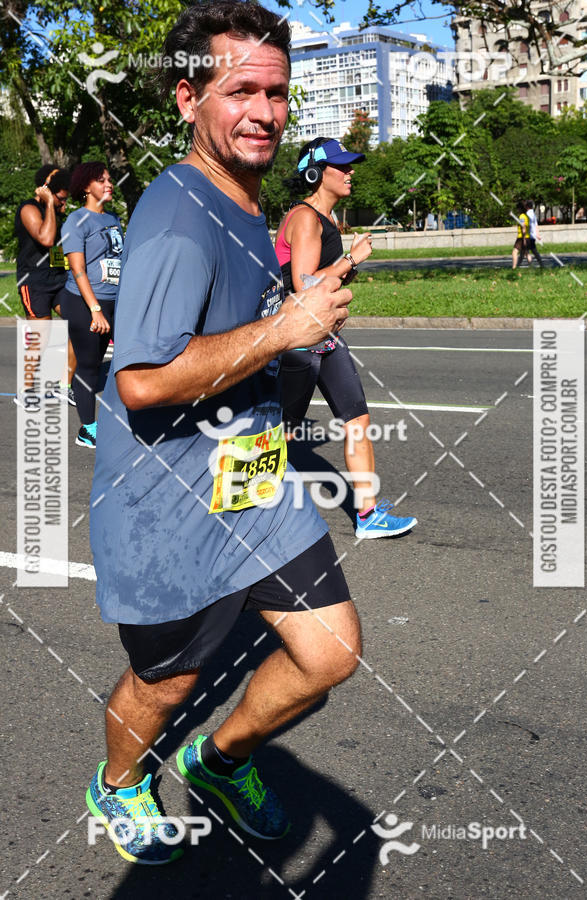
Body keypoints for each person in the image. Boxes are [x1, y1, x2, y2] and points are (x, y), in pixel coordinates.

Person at [86, 0, 360, 866]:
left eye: (276, 93)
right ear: (188, 98)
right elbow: (142, 380)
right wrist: (284, 330)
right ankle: (118, 780)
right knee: (166, 684)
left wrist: (291, 316)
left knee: (329, 651)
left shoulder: (241, 198)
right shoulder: (178, 215)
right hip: (171, 505)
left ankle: (218, 760)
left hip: (252, 480)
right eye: (240, 90)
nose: (264, 112)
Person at [274, 137, 417, 538]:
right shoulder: (305, 218)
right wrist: (351, 259)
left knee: (357, 419)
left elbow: (329, 281)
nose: (351, 172)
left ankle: (368, 515)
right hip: (298, 340)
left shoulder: (329, 219)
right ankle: (246, 505)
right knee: (282, 431)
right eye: (342, 166)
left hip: (326, 336)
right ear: (316, 173)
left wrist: (348, 265)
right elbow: (304, 284)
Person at [61, 162, 124, 448]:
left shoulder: (113, 219)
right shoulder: (76, 221)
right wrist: (95, 309)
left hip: (113, 301)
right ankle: (87, 429)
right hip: (83, 303)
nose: (109, 184)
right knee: (88, 366)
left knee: (115, 361)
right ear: (86, 187)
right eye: (101, 180)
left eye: (109, 179)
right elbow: (78, 270)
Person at [14, 165, 76, 404]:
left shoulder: (56, 212)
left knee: (80, 324)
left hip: (58, 280)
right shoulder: (29, 208)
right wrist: (50, 203)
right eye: (61, 198)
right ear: (45, 188)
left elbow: (57, 250)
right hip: (34, 282)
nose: (63, 203)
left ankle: (64, 385)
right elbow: (46, 239)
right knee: (42, 336)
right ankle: (25, 390)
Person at [525, 200, 544, 268]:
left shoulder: (527, 214)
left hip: (528, 235)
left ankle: (533, 265)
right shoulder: (533, 214)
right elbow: (536, 225)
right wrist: (537, 234)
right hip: (533, 236)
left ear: (526, 206)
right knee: (532, 250)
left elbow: (527, 225)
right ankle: (539, 264)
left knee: (530, 250)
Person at [512, 202, 530, 269]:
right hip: (527, 236)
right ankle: (531, 266)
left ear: (520, 209)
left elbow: (523, 227)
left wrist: (524, 238)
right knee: (525, 253)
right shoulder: (526, 216)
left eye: (517, 209)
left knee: (514, 252)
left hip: (521, 237)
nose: (517, 210)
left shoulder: (522, 216)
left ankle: (514, 267)